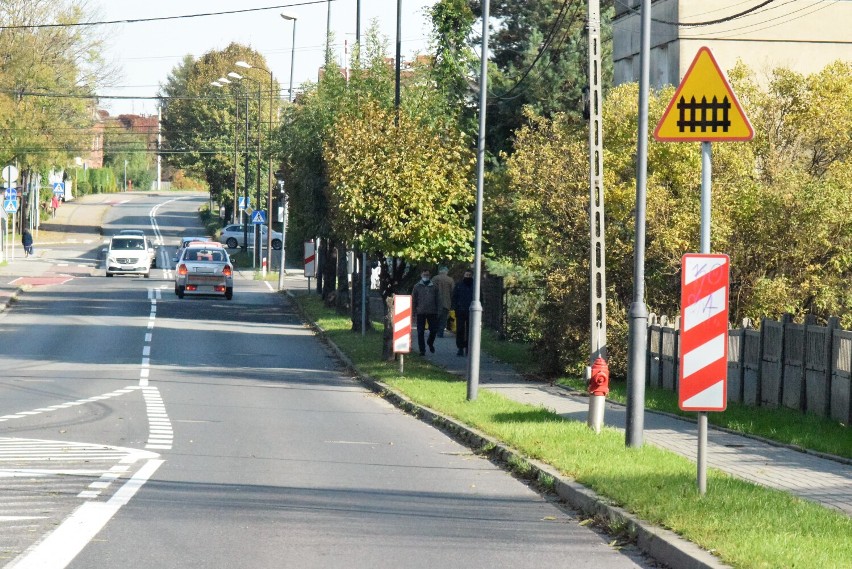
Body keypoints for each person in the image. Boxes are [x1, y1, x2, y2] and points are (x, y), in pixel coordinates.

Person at [412, 269, 440, 356]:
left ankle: (430, 342)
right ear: (421, 275)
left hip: (432, 312)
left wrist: (439, 311)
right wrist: (413, 312)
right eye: (424, 275)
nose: (425, 276)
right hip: (420, 312)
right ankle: (422, 350)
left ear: (430, 275)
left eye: (427, 275)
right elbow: (414, 300)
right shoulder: (417, 286)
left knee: (434, 330)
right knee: (420, 331)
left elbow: (438, 299)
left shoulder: (434, 286)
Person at [452, 269, 475, 356]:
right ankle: (460, 348)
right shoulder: (459, 285)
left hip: (471, 311)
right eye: (466, 275)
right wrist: (455, 308)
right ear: (464, 275)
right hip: (460, 310)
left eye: (469, 275)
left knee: (470, 330)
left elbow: (480, 297)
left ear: (471, 276)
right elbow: (454, 297)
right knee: (460, 330)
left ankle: (468, 348)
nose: (468, 277)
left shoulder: (475, 286)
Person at [431, 266, 454, 338]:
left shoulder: (434, 278)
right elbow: (453, 291)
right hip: (446, 302)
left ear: (439, 271)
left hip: (435, 302)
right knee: (443, 319)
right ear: (447, 272)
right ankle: (440, 333)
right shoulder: (450, 280)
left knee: (435, 317)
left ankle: (434, 331)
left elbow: (430, 289)